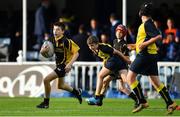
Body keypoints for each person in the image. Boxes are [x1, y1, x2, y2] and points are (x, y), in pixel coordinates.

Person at [126, 2, 177, 114]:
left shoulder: (147, 23)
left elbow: (158, 36)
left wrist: (144, 45)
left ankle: (142, 101)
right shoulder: (146, 24)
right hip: (150, 55)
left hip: (146, 55)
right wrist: (133, 46)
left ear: (141, 13)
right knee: (155, 82)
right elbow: (144, 41)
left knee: (130, 78)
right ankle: (170, 103)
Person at [36, 22, 82, 109]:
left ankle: (46, 103)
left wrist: (69, 65)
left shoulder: (66, 41)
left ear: (63, 31)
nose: (55, 31)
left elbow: (76, 53)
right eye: (54, 29)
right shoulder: (51, 40)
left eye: (57, 29)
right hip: (58, 65)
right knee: (61, 86)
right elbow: (42, 53)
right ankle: (77, 92)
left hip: (64, 66)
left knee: (46, 80)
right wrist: (42, 51)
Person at [85, 35, 131, 106]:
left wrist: (126, 59)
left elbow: (117, 52)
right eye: (89, 46)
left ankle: (96, 97)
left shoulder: (104, 47)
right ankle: (138, 97)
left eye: (92, 45)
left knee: (100, 76)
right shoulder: (95, 50)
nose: (90, 48)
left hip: (115, 62)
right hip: (115, 63)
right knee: (106, 81)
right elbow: (105, 57)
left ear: (97, 43)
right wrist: (104, 66)